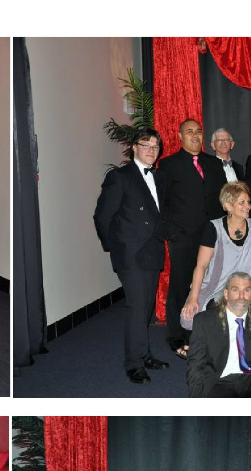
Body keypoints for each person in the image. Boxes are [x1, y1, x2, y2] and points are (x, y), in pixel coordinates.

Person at [93, 126, 168, 385]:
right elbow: (102, 216)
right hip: (131, 253)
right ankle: (134, 363)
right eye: (146, 145)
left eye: (155, 146)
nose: (151, 150)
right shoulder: (120, 176)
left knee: (146, 306)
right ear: (134, 148)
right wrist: (116, 246)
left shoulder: (158, 177)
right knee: (137, 307)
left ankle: (144, 354)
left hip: (152, 250)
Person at [156, 118, 224, 354]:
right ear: (180, 136)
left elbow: (222, 198)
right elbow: (160, 203)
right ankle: (177, 336)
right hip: (183, 237)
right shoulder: (168, 165)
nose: (195, 136)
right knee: (180, 286)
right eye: (189, 132)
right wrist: (172, 233)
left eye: (198, 131)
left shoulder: (213, 164)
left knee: (209, 284)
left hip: (212, 237)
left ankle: (204, 333)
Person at [186, 270, 251, 398]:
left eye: (246, 290)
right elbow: (195, 364)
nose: (241, 296)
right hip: (219, 382)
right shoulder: (204, 320)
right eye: (235, 290)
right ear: (226, 294)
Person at [181, 181, 251, 336]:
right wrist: (193, 297)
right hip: (215, 287)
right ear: (228, 206)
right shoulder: (214, 228)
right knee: (190, 318)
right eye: (242, 202)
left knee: (232, 315)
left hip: (244, 288)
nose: (248, 206)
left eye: (248, 202)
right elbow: (201, 265)